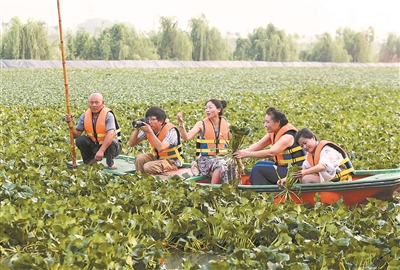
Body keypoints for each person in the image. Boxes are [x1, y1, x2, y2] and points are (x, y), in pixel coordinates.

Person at [233, 107, 306, 185]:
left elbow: (271, 152)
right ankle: (268, 192)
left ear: (277, 122)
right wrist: (240, 152)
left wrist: (246, 154)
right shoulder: (274, 132)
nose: (265, 125)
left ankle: (262, 194)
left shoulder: (288, 136)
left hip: (294, 172)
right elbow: (258, 145)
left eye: (267, 122)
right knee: (259, 164)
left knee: (258, 169)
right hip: (284, 167)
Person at [176, 99, 233, 184]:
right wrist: (181, 124)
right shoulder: (201, 124)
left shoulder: (227, 126)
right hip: (206, 160)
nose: (207, 110)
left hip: (222, 158)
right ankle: (213, 189)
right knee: (221, 164)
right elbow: (186, 137)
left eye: (210, 108)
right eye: (206, 108)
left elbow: (232, 145)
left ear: (219, 109)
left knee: (232, 163)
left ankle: (232, 189)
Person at [278, 128, 354, 185]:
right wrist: (286, 179)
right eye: (302, 146)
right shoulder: (310, 155)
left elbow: (323, 166)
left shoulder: (327, 149)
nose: (305, 147)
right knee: (302, 178)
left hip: (341, 180)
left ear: (313, 138)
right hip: (329, 179)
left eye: (305, 143)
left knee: (306, 179)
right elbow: (303, 168)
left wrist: (306, 172)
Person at [65, 93, 122, 169]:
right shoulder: (85, 115)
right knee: (80, 140)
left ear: (102, 103)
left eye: (97, 102)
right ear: (88, 103)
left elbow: (111, 134)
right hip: (95, 146)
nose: (94, 105)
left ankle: (110, 163)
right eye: (91, 103)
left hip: (112, 148)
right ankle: (90, 161)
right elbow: (76, 135)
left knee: (111, 141)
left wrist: (101, 151)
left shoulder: (108, 115)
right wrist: (70, 124)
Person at [128, 106, 183, 174]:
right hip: (157, 159)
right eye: (148, 119)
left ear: (161, 121)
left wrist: (150, 132)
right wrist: (137, 129)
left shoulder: (171, 131)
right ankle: (141, 179)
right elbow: (131, 144)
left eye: (153, 119)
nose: (149, 122)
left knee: (148, 167)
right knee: (140, 158)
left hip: (172, 162)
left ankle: (152, 181)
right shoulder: (149, 129)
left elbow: (161, 148)